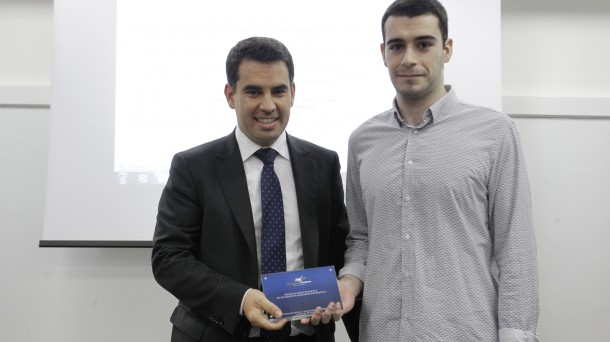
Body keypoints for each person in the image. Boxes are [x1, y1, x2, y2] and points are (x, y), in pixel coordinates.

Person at [337, 0, 540, 341]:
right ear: (383, 52)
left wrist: (517, 335)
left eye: (424, 44)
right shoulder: (363, 140)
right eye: (397, 46)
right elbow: (361, 239)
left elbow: (514, 249)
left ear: (446, 50)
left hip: (465, 333)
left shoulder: (495, 132)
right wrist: (349, 282)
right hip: (383, 333)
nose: (409, 58)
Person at [152, 37, 357, 342]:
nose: (268, 105)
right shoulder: (193, 166)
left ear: (293, 93)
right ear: (230, 95)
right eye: (253, 92)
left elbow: (341, 248)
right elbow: (168, 257)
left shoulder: (323, 164)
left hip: (306, 334)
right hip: (219, 333)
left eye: (278, 91)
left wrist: (344, 288)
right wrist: (241, 298)